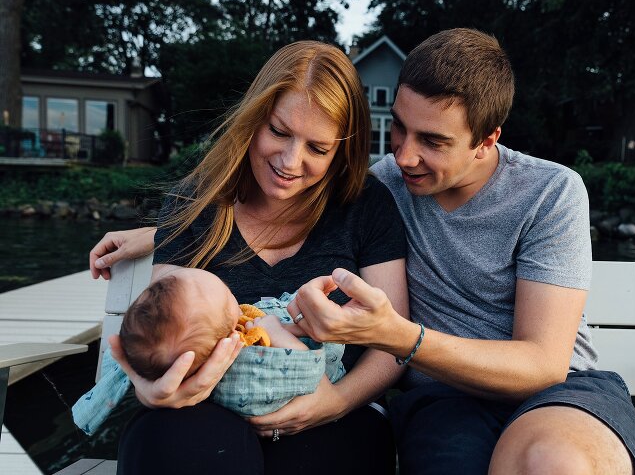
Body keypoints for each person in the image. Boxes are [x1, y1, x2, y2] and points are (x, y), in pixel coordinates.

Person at [283, 28, 635, 475]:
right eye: (399, 126)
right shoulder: (382, 187)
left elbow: (544, 364)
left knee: (553, 463)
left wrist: (401, 336)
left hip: (561, 393)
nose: (405, 156)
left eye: (433, 141)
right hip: (443, 400)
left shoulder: (549, 192)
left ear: (487, 140)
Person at [88, 40, 409, 475]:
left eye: (317, 148)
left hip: (336, 409)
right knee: (176, 447)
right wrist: (156, 390)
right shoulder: (195, 202)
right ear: (255, 118)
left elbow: (392, 345)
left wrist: (333, 404)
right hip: (204, 404)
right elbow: (163, 331)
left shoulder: (366, 206)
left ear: (339, 152)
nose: (290, 161)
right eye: (279, 131)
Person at [72, 267, 345, 436]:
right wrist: (277, 333)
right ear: (228, 336)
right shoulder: (244, 364)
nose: (238, 303)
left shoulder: (204, 345)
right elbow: (309, 371)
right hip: (301, 398)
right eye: (230, 301)